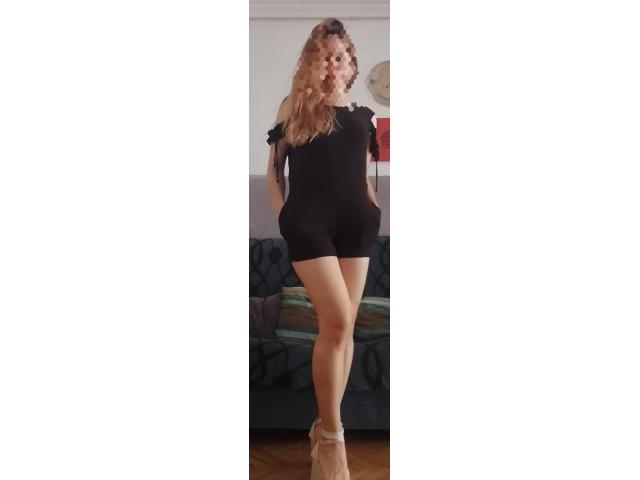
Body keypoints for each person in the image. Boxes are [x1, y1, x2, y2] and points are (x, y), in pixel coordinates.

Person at [265, 18, 381, 480]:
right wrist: (284, 216)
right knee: (336, 320)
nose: (331, 65)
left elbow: (361, 176)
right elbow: (274, 173)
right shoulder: (294, 106)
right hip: (309, 226)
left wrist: (373, 208)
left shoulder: (363, 117)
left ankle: (323, 427)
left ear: (350, 62)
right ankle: (333, 440)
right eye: (323, 57)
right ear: (311, 63)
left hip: (357, 227)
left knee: (344, 328)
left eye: (339, 56)